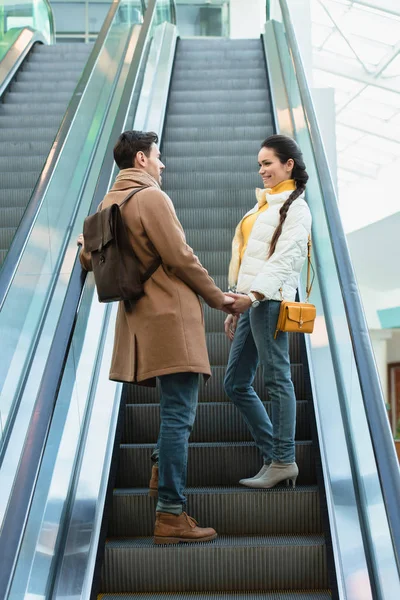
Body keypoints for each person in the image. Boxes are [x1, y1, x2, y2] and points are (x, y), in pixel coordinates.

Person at [78, 130, 235, 544]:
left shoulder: (108, 203)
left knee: (172, 411)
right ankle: (170, 514)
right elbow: (180, 257)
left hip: (139, 323)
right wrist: (218, 298)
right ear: (143, 159)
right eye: (158, 157)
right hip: (170, 319)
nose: (162, 165)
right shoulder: (150, 198)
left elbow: (87, 257)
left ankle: (158, 471)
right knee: (179, 416)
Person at [223, 134, 312, 489]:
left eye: (268, 163)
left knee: (277, 380)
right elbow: (249, 258)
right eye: (259, 164)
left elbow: (287, 257)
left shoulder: (297, 208)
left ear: (288, 164)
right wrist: (239, 302)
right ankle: (276, 454)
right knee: (235, 383)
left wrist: (255, 295)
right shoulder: (263, 205)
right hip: (252, 302)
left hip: (271, 301)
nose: (261, 170)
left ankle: (283, 458)